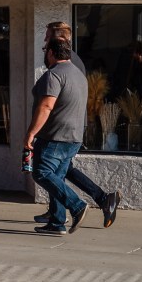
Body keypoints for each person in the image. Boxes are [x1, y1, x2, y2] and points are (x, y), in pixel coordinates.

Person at [34, 22, 121, 228]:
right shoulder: (72, 62)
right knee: (62, 172)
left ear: (58, 40)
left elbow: (61, 99)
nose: (45, 43)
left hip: (64, 129)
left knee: (50, 172)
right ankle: (64, 213)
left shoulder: (68, 64)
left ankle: (79, 206)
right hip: (68, 128)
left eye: (47, 39)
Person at [25, 36, 88, 235]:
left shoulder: (54, 75)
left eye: (45, 49)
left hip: (55, 136)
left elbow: (46, 106)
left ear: (51, 52)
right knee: (57, 178)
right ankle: (57, 222)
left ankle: (77, 206)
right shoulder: (78, 74)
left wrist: (31, 133)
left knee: (41, 172)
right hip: (74, 137)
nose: (45, 53)